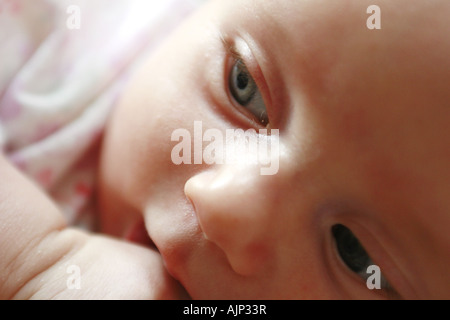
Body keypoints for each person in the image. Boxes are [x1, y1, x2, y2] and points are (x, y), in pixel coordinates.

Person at [1, 0, 450, 299]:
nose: (225, 208)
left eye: (354, 251)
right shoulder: (53, 40)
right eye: (245, 88)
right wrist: (34, 267)